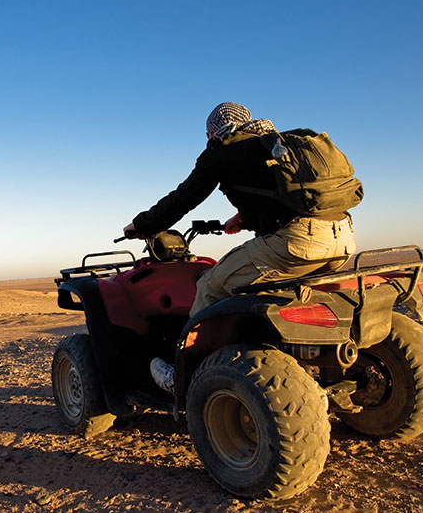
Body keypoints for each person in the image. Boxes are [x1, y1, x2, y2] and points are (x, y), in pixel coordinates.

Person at [123, 102, 357, 394]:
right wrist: (245, 217)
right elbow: (285, 196)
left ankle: (183, 375)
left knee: (209, 284)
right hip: (342, 238)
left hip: (296, 243)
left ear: (213, 131)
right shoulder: (274, 144)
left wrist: (141, 225)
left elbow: (183, 198)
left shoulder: (222, 151)